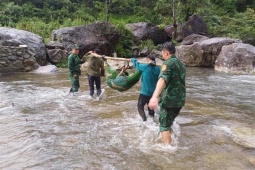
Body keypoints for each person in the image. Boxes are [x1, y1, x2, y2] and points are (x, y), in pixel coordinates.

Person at [149, 42, 186, 144]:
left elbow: (162, 80)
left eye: (162, 53)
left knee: (164, 125)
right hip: (180, 101)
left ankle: (168, 150)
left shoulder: (167, 63)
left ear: (166, 53)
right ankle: (169, 140)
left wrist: (154, 97)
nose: (162, 55)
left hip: (169, 101)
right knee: (168, 122)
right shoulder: (181, 64)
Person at [131, 55, 160, 121]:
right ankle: (152, 120)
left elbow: (137, 65)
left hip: (145, 92)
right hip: (153, 93)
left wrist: (133, 59)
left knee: (140, 106)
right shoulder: (158, 69)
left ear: (148, 59)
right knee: (151, 107)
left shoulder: (145, 67)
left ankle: (144, 120)